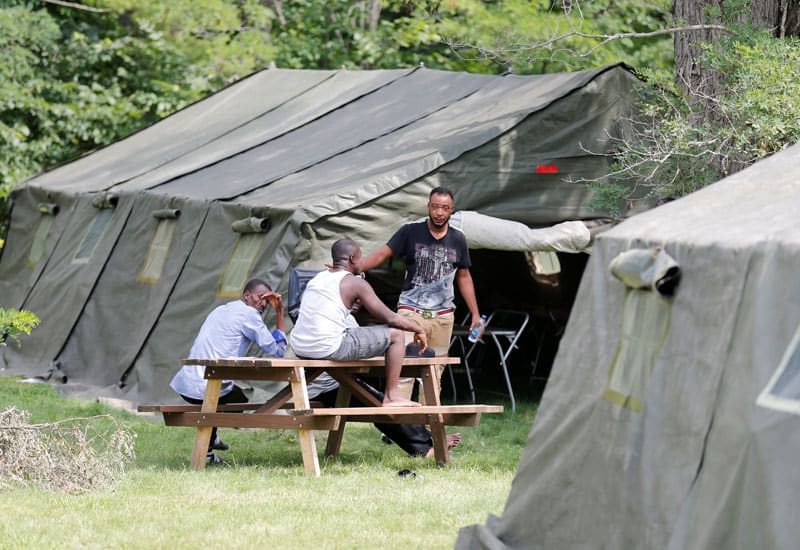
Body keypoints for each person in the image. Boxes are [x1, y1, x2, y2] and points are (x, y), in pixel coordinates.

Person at [361, 186, 482, 402]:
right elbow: (381, 254)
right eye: (435, 207)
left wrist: (474, 314)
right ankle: (400, 426)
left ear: (451, 210)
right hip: (410, 311)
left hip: (443, 316)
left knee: (435, 373)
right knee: (404, 368)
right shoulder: (410, 232)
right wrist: (352, 269)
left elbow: (464, 277)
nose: (439, 212)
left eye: (445, 208)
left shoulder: (458, 239)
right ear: (428, 206)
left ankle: (426, 428)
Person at [304, 302, 461, 458]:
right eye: (355, 297)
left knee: (379, 400)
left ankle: (428, 443)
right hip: (326, 387)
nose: (359, 301)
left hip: (338, 382)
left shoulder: (344, 318)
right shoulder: (336, 319)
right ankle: (426, 449)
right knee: (380, 403)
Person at [290, 238, 427, 406]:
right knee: (396, 335)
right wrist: (417, 328)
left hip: (300, 346)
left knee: (361, 332)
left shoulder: (318, 278)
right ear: (353, 258)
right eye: (361, 257)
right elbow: (390, 318)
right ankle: (391, 397)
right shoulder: (355, 282)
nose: (363, 261)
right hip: (326, 347)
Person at [170, 278, 287, 463]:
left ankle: (210, 442)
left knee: (228, 393)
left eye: (267, 300)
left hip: (186, 382)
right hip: (204, 387)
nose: (264, 304)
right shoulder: (250, 315)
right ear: (247, 296)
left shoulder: (222, 309)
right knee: (237, 398)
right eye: (260, 297)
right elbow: (277, 351)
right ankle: (209, 445)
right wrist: (280, 311)